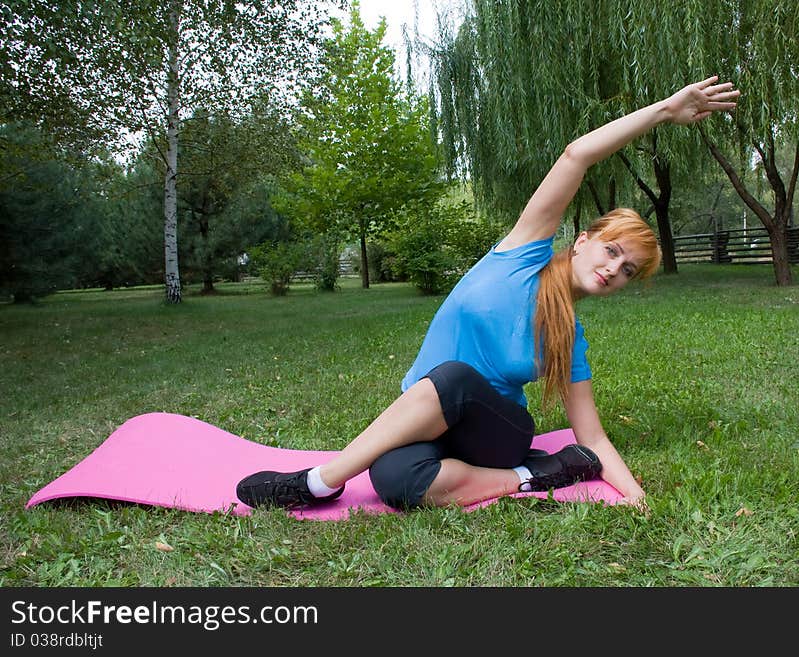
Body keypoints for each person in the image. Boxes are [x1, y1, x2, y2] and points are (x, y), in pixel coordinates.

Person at [236, 75, 740, 513]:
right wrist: (664, 111)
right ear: (582, 240)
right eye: (611, 251)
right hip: (434, 420)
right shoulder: (520, 253)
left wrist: (636, 496)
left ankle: (317, 482)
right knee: (394, 481)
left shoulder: (570, 339)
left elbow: (593, 436)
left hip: (496, 434)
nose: (613, 269)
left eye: (627, 270)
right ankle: (537, 476)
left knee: (455, 378)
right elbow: (576, 156)